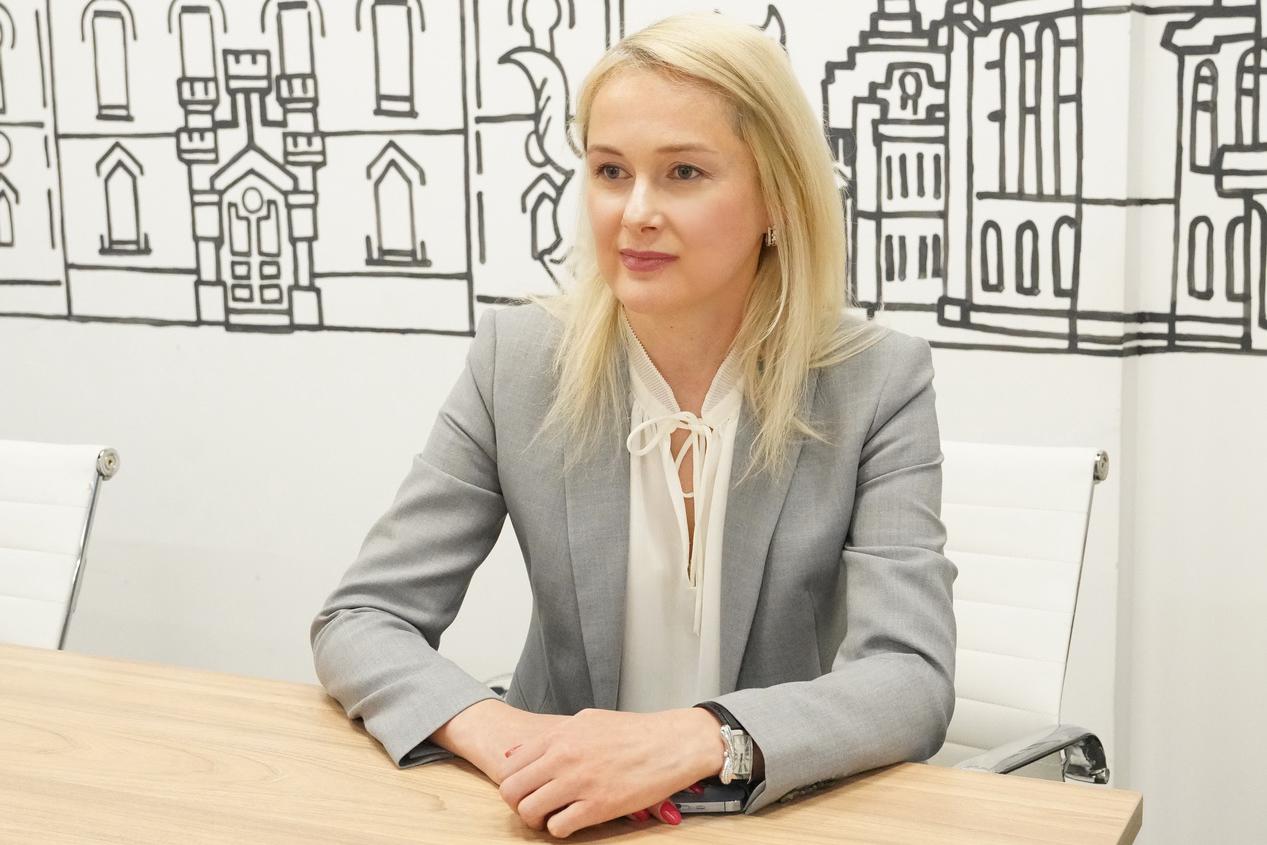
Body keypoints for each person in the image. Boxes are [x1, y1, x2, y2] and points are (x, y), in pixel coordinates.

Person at [310, 11, 956, 839]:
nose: (636, 212)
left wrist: (699, 737)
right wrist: (513, 740)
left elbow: (909, 677)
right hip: (558, 818)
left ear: (777, 196)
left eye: (683, 172)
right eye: (611, 171)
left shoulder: (875, 379)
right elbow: (362, 618)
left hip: (765, 820)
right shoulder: (518, 361)